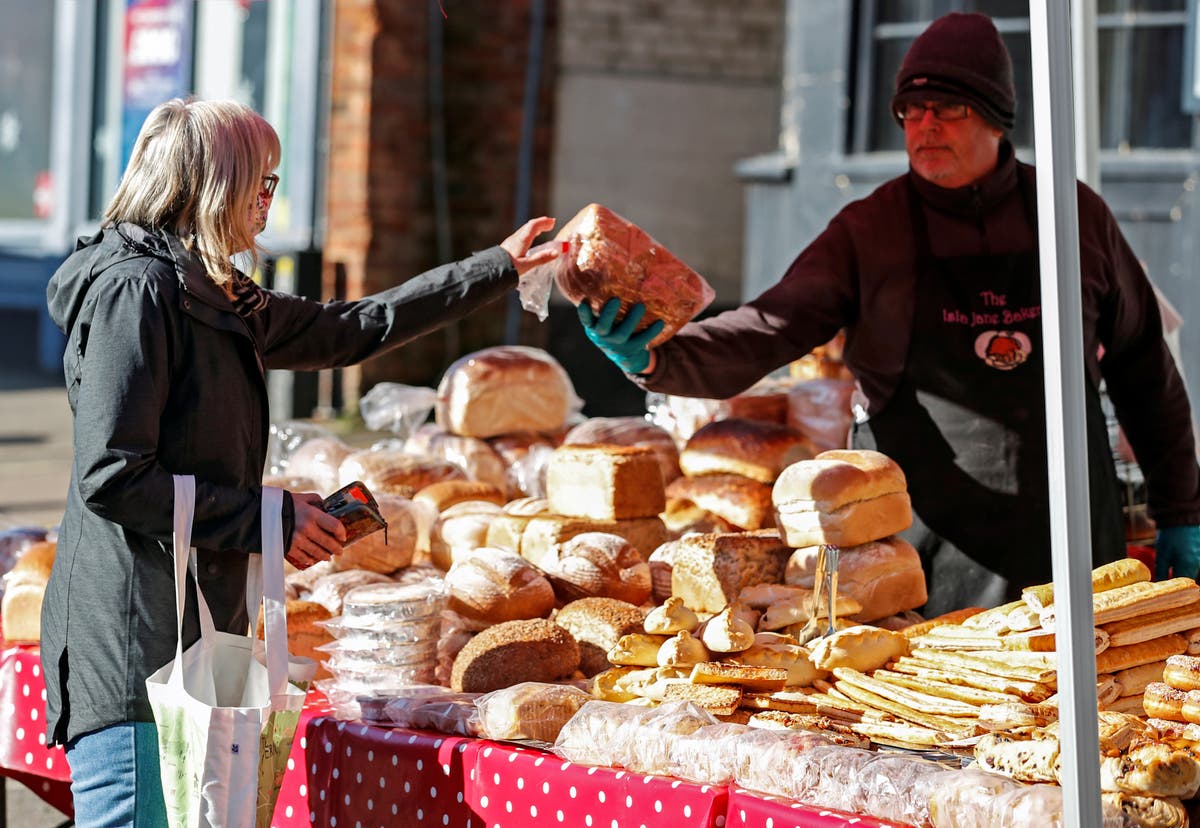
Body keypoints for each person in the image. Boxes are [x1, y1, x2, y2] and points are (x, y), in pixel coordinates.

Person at [578, 12, 1200, 616]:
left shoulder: (1074, 216)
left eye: (947, 108)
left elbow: (1146, 373)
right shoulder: (871, 230)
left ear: (995, 117)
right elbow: (769, 327)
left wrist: (1183, 510)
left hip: (1068, 538)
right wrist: (659, 355)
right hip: (921, 553)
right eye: (911, 110)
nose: (924, 125)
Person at [43, 97, 558, 826]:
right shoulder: (139, 290)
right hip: (129, 645)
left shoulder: (213, 291)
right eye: (263, 179)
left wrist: (496, 268)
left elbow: (351, 330)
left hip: (189, 633)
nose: (269, 198)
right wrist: (264, 517)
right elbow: (113, 475)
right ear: (213, 183)